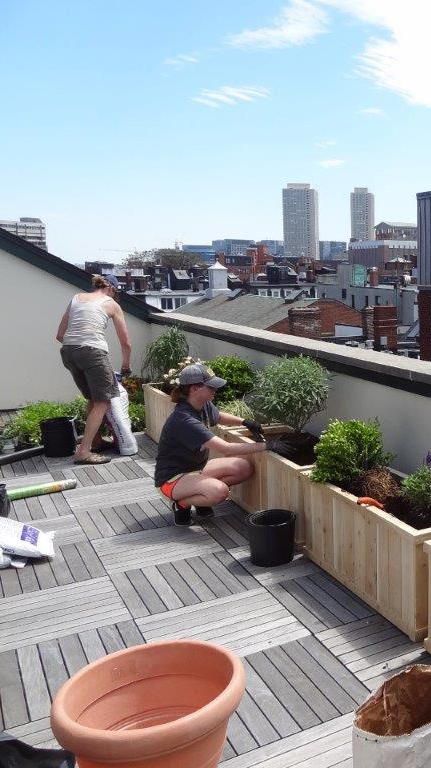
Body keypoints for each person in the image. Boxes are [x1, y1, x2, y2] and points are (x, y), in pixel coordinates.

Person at [155, 363, 287, 525]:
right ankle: (182, 504)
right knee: (220, 492)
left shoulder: (201, 404)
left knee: (243, 468)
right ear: (194, 389)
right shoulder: (184, 419)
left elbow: (218, 417)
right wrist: (268, 445)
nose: (215, 390)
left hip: (196, 469)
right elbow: (226, 448)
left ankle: (201, 496)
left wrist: (245, 422)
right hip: (171, 480)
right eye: (210, 387)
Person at [56, 274, 132, 465]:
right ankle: (83, 452)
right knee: (103, 402)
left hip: (68, 352)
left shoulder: (76, 298)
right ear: (112, 289)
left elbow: (59, 335)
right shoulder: (111, 304)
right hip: (92, 352)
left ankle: (95, 441)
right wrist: (125, 365)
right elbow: (126, 343)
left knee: (92, 398)